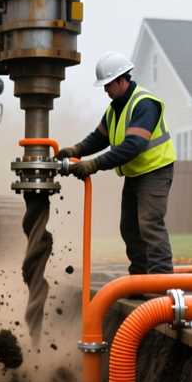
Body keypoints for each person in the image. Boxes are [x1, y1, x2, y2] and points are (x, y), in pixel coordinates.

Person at [58, 51, 177, 275]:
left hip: (155, 172)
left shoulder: (144, 104)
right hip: (135, 174)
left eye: (108, 85)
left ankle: (161, 284)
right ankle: (140, 280)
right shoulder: (114, 109)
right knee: (129, 228)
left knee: (149, 223)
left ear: (122, 80)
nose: (105, 90)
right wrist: (76, 150)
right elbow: (99, 138)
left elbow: (133, 145)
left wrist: (93, 165)